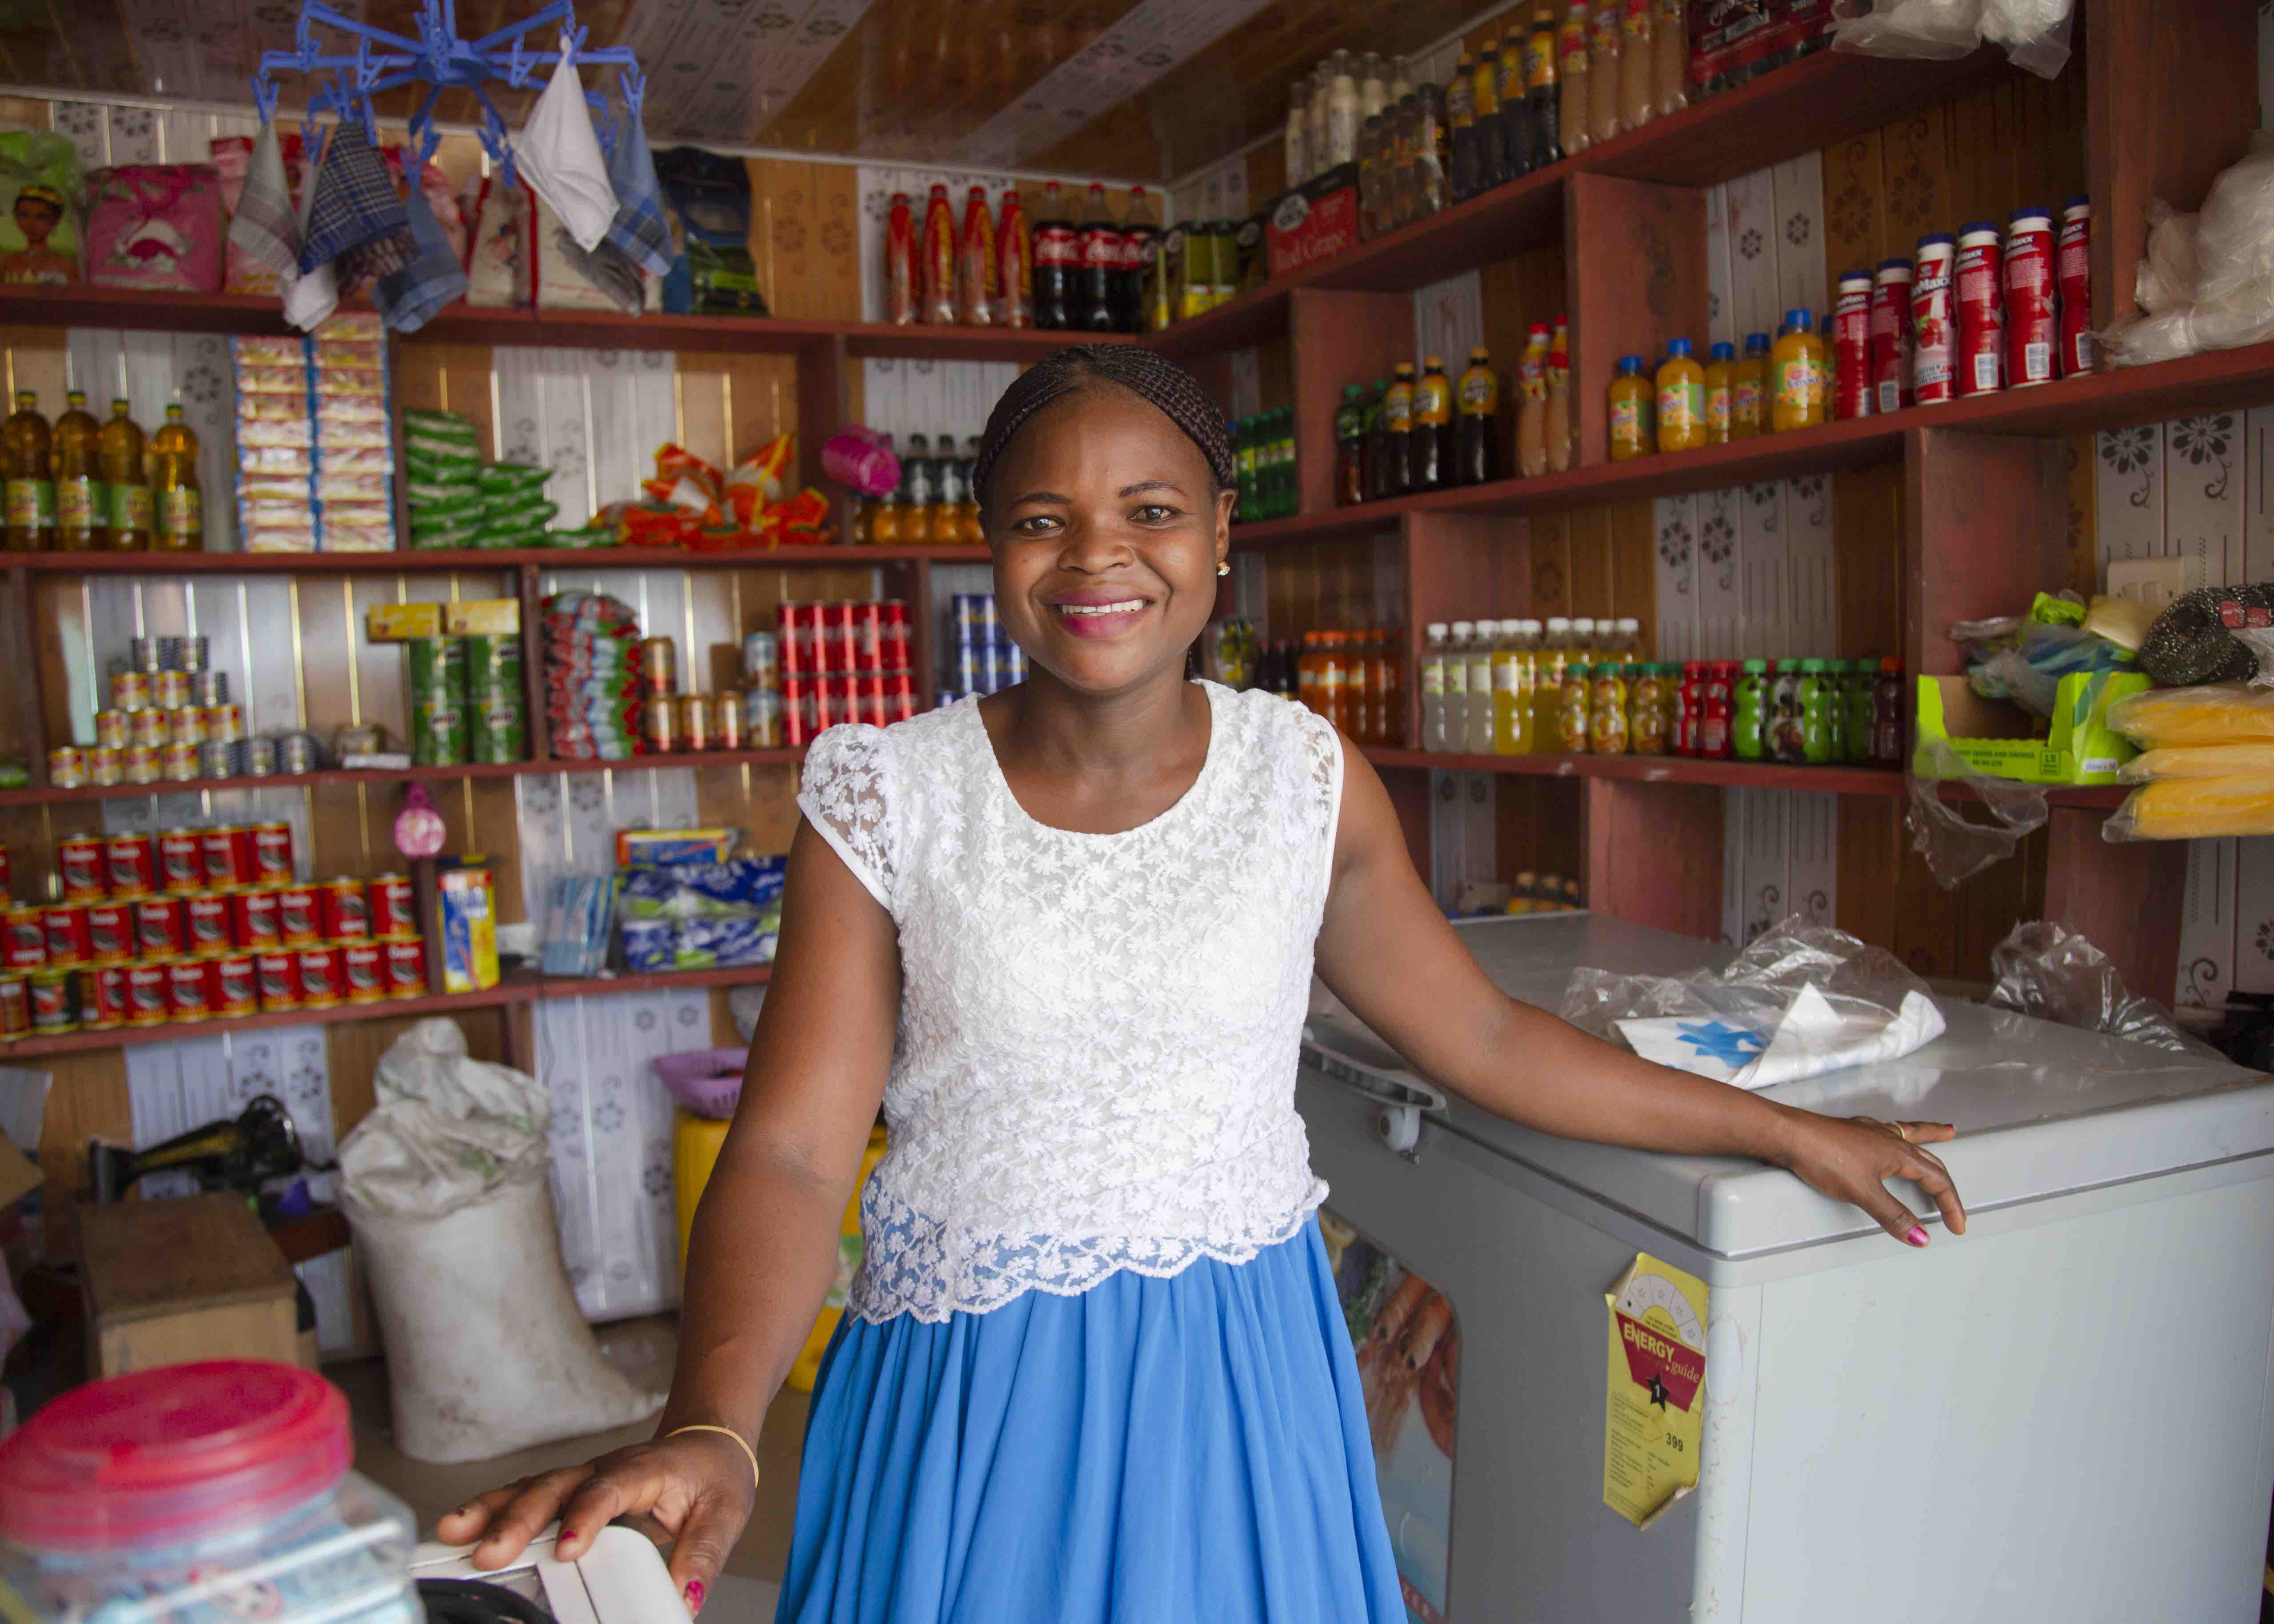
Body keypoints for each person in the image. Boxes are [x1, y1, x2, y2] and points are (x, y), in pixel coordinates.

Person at [441, 344, 1967, 1622]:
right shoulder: (887, 797)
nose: (1099, 555)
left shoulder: (1299, 780)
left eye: (1150, 509)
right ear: (990, 547)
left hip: (1236, 1383)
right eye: (1044, 517)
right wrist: (712, 1419)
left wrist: (1775, 1130)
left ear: (1220, 535)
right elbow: (785, 1146)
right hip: (978, 1386)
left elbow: (1483, 1032)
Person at [0, 184, 74, 284]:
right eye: (24, 216)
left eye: (41, 217)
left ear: (56, 221)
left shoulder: (66, 266)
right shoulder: (6, 262)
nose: (31, 224)